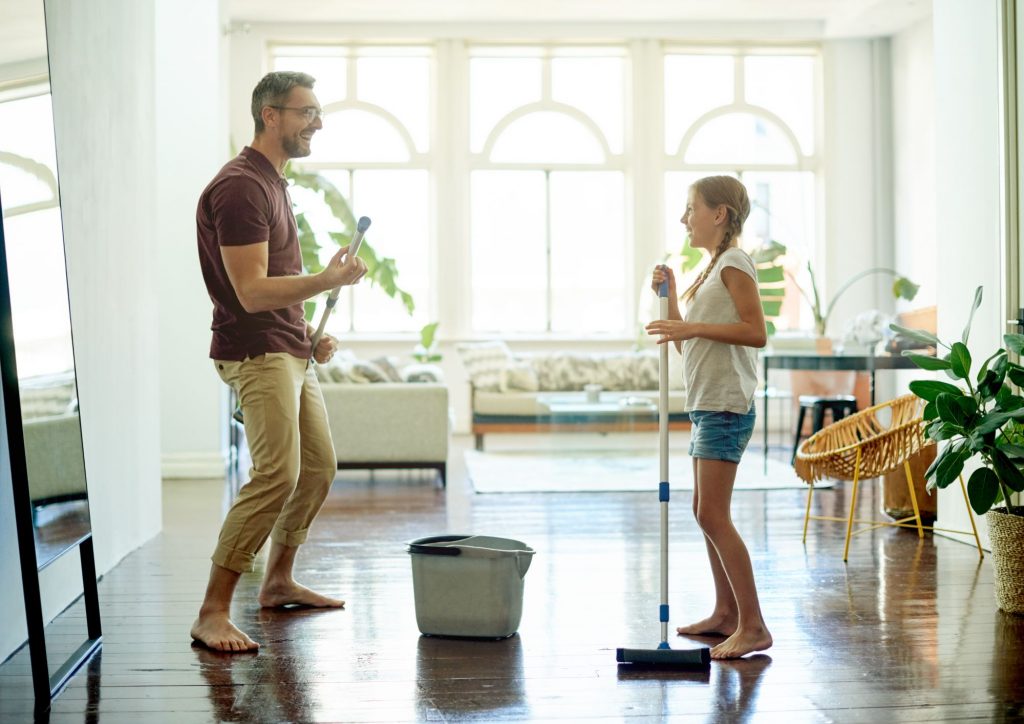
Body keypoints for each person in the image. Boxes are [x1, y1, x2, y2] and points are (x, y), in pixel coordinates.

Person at [191, 71, 368, 652]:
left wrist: (306, 335)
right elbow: (250, 292)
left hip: (286, 345)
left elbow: (275, 290)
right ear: (270, 115)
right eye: (306, 112)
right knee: (276, 475)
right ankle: (212, 610)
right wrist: (327, 279)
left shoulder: (273, 183)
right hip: (256, 352)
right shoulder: (242, 187)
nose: (317, 123)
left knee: (317, 468)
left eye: (317, 113)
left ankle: (278, 580)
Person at [645, 175, 773, 660]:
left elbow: (756, 331)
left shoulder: (735, 262)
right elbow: (687, 340)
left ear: (719, 214)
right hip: (706, 402)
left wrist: (693, 322)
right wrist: (674, 295)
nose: (684, 218)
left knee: (712, 513)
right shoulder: (710, 268)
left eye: (691, 208)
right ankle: (725, 615)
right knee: (705, 511)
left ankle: (754, 626)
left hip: (726, 404)